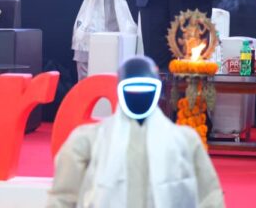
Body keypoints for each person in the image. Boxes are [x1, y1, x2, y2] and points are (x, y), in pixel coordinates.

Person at [46, 56, 225, 207]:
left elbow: (210, 197)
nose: (139, 95)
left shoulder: (184, 141)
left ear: (157, 91)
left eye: (147, 89)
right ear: (119, 90)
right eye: (131, 89)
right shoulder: (87, 140)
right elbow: (63, 198)